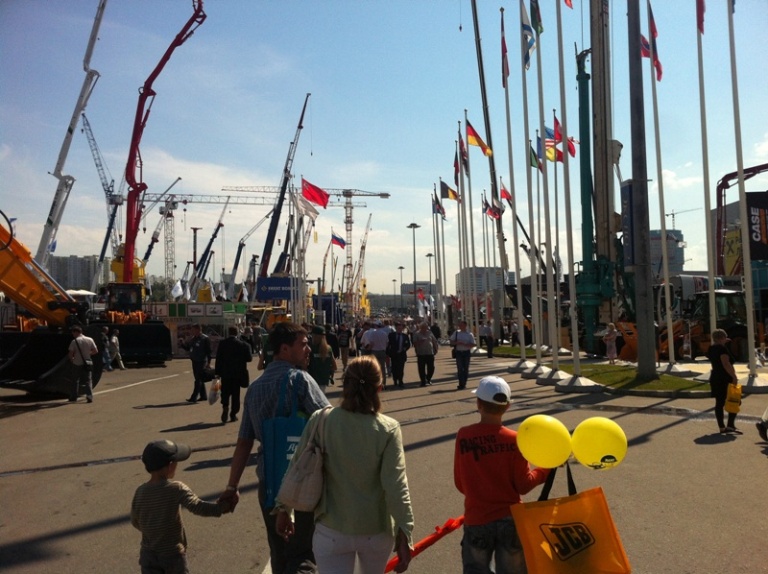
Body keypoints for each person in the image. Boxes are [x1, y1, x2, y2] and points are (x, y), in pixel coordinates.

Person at [275, 356, 414, 574]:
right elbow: (396, 485)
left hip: (331, 530)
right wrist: (405, 530)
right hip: (375, 531)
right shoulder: (389, 429)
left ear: (344, 385)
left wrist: (284, 508)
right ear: (379, 388)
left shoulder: (321, 420)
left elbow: (297, 466)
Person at [218, 322, 330, 574]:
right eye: (303, 345)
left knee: (279, 552)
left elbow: (244, 442)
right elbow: (329, 422)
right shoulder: (300, 380)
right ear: (285, 349)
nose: (308, 349)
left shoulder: (255, 389)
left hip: (269, 481)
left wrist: (232, 487)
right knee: (303, 553)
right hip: (304, 481)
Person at [454, 376, 551, 574]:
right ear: (507, 407)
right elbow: (524, 485)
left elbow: (460, 483)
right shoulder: (515, 439)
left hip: (477, 519)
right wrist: (545, 470)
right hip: (510, 520)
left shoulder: (464, 435)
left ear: (478, 404)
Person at [132, 439, 229, 573]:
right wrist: (221, 508)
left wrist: (153, 531)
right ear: (171, 465)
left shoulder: (140, 491)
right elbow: (197, 506)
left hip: (148, 555)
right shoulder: (176, 488)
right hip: (172, 555)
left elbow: (135, 520)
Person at [214, 326, 253, 424]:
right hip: (238, 374)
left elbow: (218, 359)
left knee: (225, 392)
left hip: (225, 373)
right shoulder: (243, 345)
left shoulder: (223, 344)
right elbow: (249, 358)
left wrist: (217, 373)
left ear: (228, 333)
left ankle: (225, 406)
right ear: (237, 333)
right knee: (236, 394)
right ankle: (233, 414)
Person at [706, 329, 741, 434]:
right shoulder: (722, 349)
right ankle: (730, 425)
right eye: (725, 337)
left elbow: (716, 357)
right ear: (722, 338)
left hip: (715, 377)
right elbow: (726, 364)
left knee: (719, 402)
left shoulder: (711, 348)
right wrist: (734, 376)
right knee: (735, 400)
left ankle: (721, 426)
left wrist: (724, 342)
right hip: (725, 378)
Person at [179, 324, 212, 403]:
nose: (192, 331)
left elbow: (209, 352)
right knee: (199, 378)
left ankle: (193, 397)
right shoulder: (193, 339)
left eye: (193, 330)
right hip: (194, 361)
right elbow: (188, 348)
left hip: (202, 361)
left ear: (198, 329)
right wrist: (182, 344)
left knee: (198, 379)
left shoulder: (205, 338)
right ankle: (203, 396)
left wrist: (209, 363)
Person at [68, 324, 98, 403]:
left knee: (75, 380)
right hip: (87, 362)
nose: (73, 334)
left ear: (76, 332)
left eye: (73, 333)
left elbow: (70, 353)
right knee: (88, 380)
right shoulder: (90, 339)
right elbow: (95, 351)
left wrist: (72, 360)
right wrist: (88, 354)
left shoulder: (74, 341)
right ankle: (89, 396)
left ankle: (73, 396)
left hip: (77, 362)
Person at [360, 321, 390, 388]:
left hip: (374, 352)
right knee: (382, 368)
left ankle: (376, 383)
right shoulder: (384, 333)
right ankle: (383, 383)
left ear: (375, 326)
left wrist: (368, 349)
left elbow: (370, 343)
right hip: (382, 351)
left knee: (375, 368)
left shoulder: (373, 333)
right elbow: (387, 343)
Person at [450, 320, 476, 390]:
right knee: (460, 368)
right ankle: (461, 384)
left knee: (466, 368)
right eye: (459, 325)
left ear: (465, 325)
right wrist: (457, 343)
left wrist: (466, 344)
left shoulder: (469, 334)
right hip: (459, 352)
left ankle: (464, 383)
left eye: (461, 325)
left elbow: (473, 344)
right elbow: (451, 341)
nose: (460, 326)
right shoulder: (456, 333)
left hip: (466, 352)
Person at [412, 322, 438, 387]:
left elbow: (434, 341)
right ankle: (423, 381)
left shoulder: (430, 333)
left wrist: (436, 348)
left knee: (431, 367)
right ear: (421, 327)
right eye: (423, 327)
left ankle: (428, 378)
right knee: (421, 368)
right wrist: (419, 342)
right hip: (421, 353)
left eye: (426, 327)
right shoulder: (417, 334)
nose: (425, 328)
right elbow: (414, 343)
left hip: (430, 352)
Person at [387, 321, 411, 388]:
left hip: (401, 355)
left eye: (401, 328)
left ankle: (401, 381)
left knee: (401, 369)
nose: (399, 329)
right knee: (394, 368)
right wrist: (388, 353)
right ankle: (395, 380)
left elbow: (408, 344)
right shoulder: (391, 335)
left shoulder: (405, 336)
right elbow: (388, 344)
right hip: (394, 355)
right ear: (396, 328)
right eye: (398, 328)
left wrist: (404, 348)